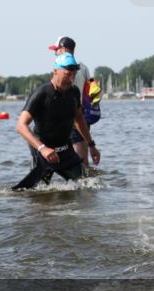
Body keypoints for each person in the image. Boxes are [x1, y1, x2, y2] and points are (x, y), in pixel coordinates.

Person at [13, 53, 100, 190]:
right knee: (34, 194)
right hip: (44, 153)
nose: (71, 78)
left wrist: (91, 145)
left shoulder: (74, 92)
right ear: (55, 71)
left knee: (87, 186)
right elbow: (21, 126)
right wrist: (43, 148)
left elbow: (79, 120)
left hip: (66, 150)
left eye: (74, 74)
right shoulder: (42, 93)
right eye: (67, 74)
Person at [48, 37, 93, 163]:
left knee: (79, 161)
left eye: (56, 50)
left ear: (63, 49)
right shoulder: (84, 68)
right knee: (81, 159)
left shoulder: (60, 70)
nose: (55, 53)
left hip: (71, 118)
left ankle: (83, 180)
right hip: (82, 115)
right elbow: (93, 90)